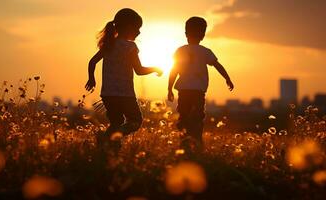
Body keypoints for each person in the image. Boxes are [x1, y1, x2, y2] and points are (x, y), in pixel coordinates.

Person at [85, 8, 162, 137]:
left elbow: (92, 62)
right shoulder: (130, 47)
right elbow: (139, 70)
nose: (139, 32)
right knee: (135, 121)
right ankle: (114, 135)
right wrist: (155, 68)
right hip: (125, 95)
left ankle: (108, 143)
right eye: (137, 28)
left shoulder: (109, 45)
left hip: (108, 94)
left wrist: (91, 79)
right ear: (128, 27)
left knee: (116, 122)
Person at [168, 16, 234, 145]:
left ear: (186, 34)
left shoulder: (180, 50)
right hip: (198, 91)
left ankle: (184, 141)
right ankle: (197, 141)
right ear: (203, 35)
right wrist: (227, 78)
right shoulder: (205, 52)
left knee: (184, 115)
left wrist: (169, 88)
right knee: (197, 117)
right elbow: (217, 65)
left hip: (184, 90)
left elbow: (174, 70)